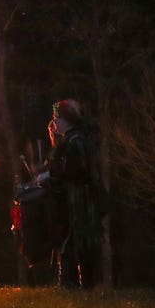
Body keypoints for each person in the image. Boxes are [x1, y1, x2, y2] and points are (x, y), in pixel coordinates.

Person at [39, 99, 103, 288]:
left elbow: (75, 171)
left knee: (78, 241)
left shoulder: (76, 141)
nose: (54, 122)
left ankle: (77, 285)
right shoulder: (70, 139)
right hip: (74, 197)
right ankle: (75, 285)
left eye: (56, 118)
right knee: (73, 241)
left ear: (65, 119)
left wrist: (51, 175)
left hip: (80, 199)